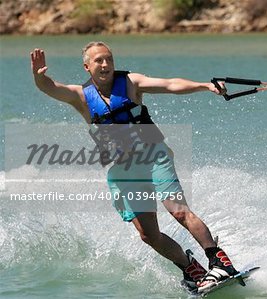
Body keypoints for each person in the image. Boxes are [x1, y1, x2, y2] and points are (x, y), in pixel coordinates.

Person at [30, 41, 238, 292]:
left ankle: (219, 260)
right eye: (99, 61)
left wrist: (205, 86)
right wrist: (39, 77)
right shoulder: (81, 97)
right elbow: (51, 88)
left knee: (179, 211)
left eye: (109, 59)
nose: (105, 64)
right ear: (87, 67)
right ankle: (191, 268)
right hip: (124, 169)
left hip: (153, 156)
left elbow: (171, 84)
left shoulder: (131, 82)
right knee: (148, 235)